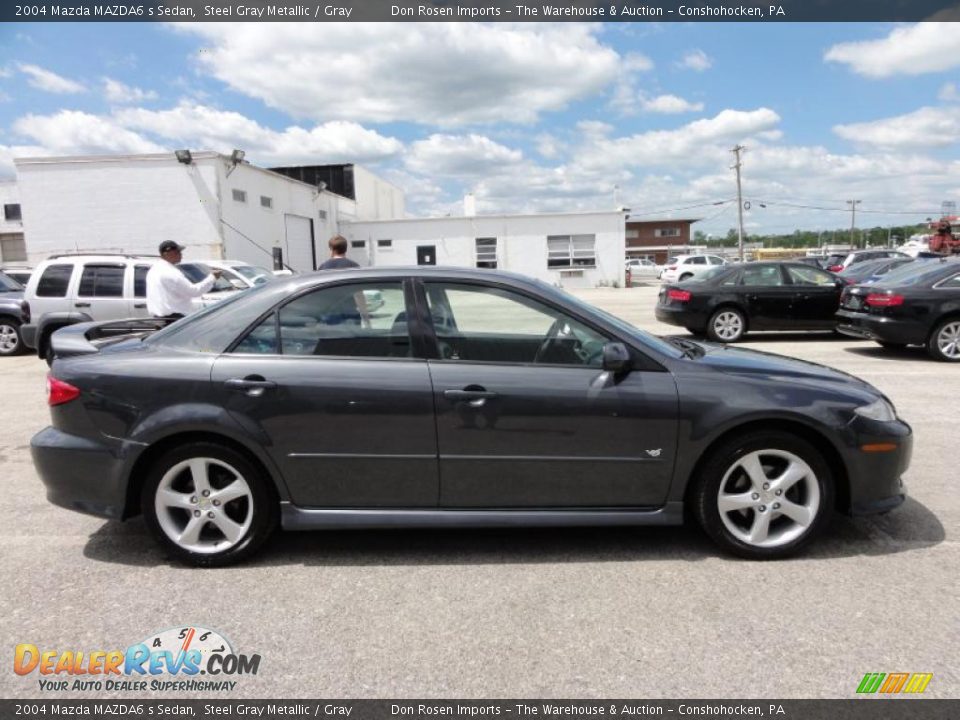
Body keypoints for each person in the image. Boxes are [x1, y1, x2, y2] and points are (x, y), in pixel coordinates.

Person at [146, 241, 222, 321]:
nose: (181, 255)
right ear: (166, 254)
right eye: (177, 252)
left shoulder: (154, 269)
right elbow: (194, 291)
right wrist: (213, 277)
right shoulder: (170, 272)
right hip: (174, 319)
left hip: (159, 319)